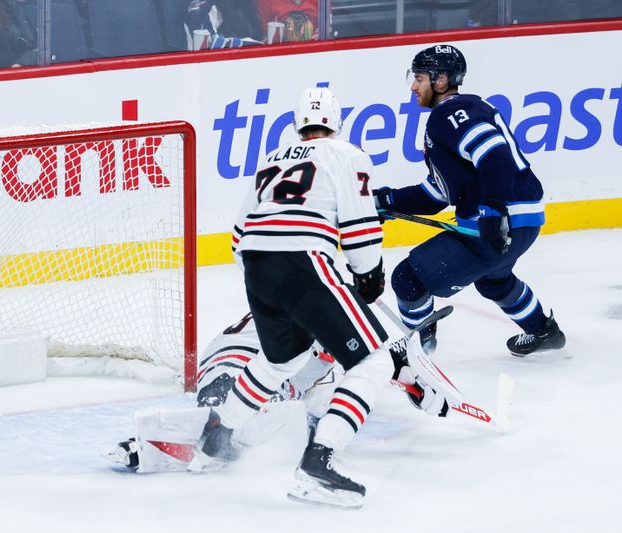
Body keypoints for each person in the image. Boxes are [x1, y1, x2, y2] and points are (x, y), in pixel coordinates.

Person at [187, 86, 442, 508]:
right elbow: (359, 224)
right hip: (302, 260)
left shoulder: (271, 159)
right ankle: (319, 463)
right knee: (374, 359)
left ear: (297, 124)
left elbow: (238, 235)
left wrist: (272, 279)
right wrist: (368, 275)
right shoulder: (347, 154)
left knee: (281, 360)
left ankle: (216, 438)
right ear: (336, 123)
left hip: (256, 264)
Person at [373, 44, 566, 358]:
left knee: (408, 279)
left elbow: (495, 154)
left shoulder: (450, 112)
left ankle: (418, 352)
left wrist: (492, 210)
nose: (413, 87)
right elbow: (435, 195)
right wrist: (388, 200)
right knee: (494, 281)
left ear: (440, 80)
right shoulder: (459, 113)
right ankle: (543, 330)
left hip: (497, 224)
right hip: (522, 222)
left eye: (419, 78)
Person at [105, 311, 341, 473]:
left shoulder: (328, 362)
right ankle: (220, 418)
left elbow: (311, 415)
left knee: (267, 411)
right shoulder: (311, 317)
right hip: (235, 362)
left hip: (248, 374)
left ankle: (227, 431)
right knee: (239, 399)